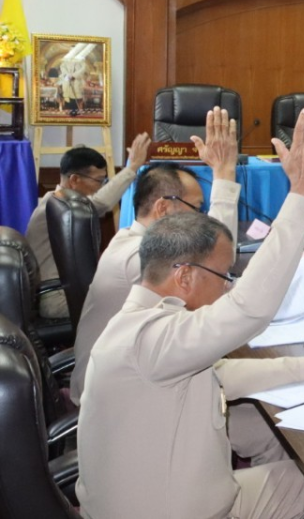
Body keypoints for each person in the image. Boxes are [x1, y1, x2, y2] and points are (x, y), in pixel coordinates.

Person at [76, 108, 304, 519]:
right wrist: (303, 193)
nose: (228, 286)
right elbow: (249, 307)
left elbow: (219, 376)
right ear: (185, 277)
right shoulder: (151, 340)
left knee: (277, 440)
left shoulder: (146, 318)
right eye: (222, 276)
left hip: (143, 495)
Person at [70, 109, 242, 405]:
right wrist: (224, 174)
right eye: (198, 208)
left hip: (133, 379)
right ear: (164, 209)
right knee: (268, 423)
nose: (203, 219)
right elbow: (214, 261)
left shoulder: (130, 240)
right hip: (117, 401)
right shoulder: (138, 257)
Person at [24, 133, 150, 319]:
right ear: (74, 180)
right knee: (134, 305)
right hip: (56, 298)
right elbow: (101, 203)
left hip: (62, 291)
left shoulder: (56, 202)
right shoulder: (59, 208)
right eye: (99, 181)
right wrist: (132, 167)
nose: (100, 186)